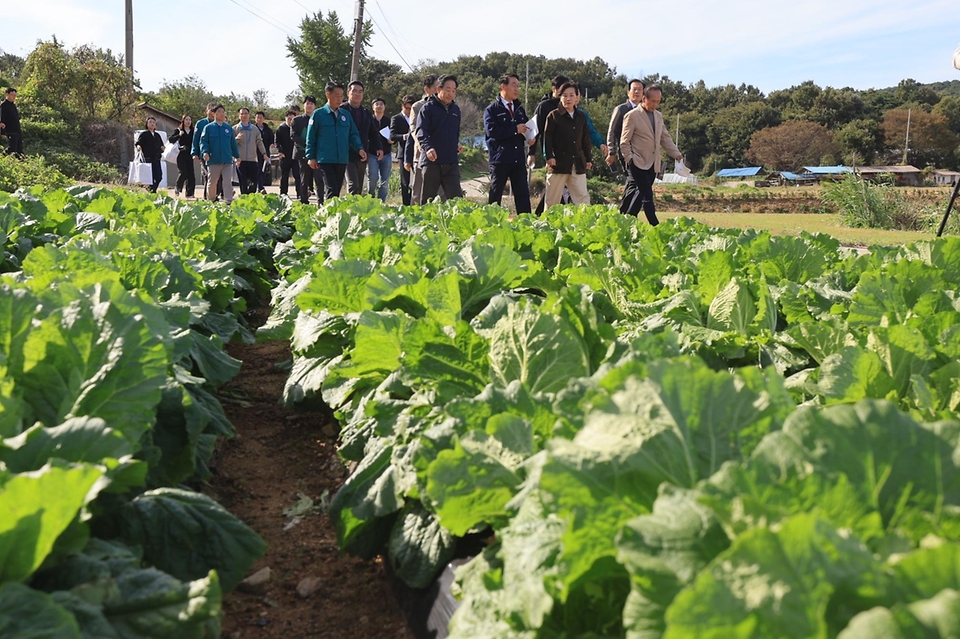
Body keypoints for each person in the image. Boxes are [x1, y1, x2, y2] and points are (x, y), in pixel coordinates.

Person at [619, 84, 683, 226]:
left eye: (658, 101)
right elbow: (624, 141)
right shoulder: (632, 116)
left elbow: (665, 138)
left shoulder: (658, 116)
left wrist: (677, 155)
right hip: (637, 162)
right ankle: (656, 226)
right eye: (652, 101)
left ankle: (626, 223)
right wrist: (630, 159)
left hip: (653, 164)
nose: (655, 104)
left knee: (639, 195)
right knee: (647, 195)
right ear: (644, 98)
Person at [305, 81, 367, 201]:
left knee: (336, 190)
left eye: (341, 96)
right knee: (331, 189)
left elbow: (353, 134)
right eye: (337, 95)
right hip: (325, 159)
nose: (340, 99)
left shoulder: (346, 115)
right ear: (328, 95)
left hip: (342, 159)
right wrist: (310, 156)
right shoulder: (318, 114)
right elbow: (310, 137)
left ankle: (329, 212)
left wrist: (359, 148)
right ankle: (328, 214)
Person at [484, 73, 533, 213]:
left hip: (518, 158)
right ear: (503, 86)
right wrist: (515, 129)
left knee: (523, 194)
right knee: (495, 194)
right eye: (514, 85)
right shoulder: (492, 110)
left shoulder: (519, 109)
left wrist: (530, 137)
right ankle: (491, 224)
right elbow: (493, 132)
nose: (517, 89)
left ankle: (527, 224)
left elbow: (526, 128)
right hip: (500, 159)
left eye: (518, 86)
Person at [543, 82, 592, 207]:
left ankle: (585, 225)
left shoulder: (581, 117)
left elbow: (585, 139)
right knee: (552, 201)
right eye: (564, 95)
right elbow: (547, 138)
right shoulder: (553, 116)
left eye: (571, 95)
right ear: (560, 97)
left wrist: (588, 159)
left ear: (577, 97)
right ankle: (547, 225)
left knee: (583, 200)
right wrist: (549, 156)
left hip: (577, 163)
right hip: (558, 164)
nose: (568, 99)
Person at [416, 74, 462, 203]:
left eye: (453, 91)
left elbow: (455, 133)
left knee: (457, 200)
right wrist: (428, 147)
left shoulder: (456, 110)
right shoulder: (427, 108)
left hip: (450, 161)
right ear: (438, 89)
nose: (450, 94)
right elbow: (421, 131)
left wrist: (456, 145)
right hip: (432, 162)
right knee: (428, 201)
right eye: (447, 90)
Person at [606, 79, 644, 214]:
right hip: (626, 153)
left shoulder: (644, 110)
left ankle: (625, 214)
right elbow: (612, 131)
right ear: (628, 92)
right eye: (635, 89)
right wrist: (611, 151)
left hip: (642, 154)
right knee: (635, 182)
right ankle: (627, 213)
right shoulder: (621, 109)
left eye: (640, 89)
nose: (637, 92)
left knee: (633, 183)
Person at [404, 74, 439, 204]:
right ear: (427, 89)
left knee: (439, 192)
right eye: (436, 87)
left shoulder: (445, 105)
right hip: (421, 153)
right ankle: (415, 217)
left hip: (440, 154)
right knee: (418, 189)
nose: (438, 89)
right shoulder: (417, 106)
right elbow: (413, 128)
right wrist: (423, 144)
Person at [344, 81, 382, 196]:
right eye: (354, 91)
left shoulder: (366, 112)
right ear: (348, 92)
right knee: (353, 184)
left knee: (359, 186)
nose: (357, 94)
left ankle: (357, 211)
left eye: (360, 92)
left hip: (362, 154)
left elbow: (373, 132)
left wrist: (379, 148)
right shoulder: (342, 110)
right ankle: (349, 210)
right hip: (346, 153)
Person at [200, 104, 240, 204]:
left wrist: (237, 156)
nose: (221, 114)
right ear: (213, 114)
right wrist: (205, 152)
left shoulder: (228, 128)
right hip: (213, 159)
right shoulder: (208, 128)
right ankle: (212, 200)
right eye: (219, 112)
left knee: (227, 181)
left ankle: (228, 201)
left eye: (223, 112)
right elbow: (203, 141)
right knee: (212, 182)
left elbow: (233, 144)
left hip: (227, 160)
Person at [234, 107, 267, 195]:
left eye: (246, 113)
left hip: (252, 159)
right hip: (240, 160)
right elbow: (230, 144)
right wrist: (236, 139)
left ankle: (250, 195)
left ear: (249, 116)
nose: (244, 115)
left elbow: (259, 142)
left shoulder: (254, 129)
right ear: (239, 116)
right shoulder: (234, 129)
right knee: (243, 182)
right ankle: (244, 199)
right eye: (242, 114)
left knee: (254, 182)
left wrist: (264, 153)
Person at [293, 96, 319, 203]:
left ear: (315, 106)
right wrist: (307, 143)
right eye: (307, 103)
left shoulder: (318, 119)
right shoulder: (297, 120)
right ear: (303, 105)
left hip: (317, 153)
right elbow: (293, 136)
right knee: (304, 178)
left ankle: (320, 200)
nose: (309, 106)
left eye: (311, 104)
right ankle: (304, 201)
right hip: (302, 152)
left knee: (318, 178)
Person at [390, 95, 415, 205]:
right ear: (403, 106)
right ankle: (406, 204)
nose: (409, 111)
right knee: (405, 181)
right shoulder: (396, 118)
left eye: (411, 108)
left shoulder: (417, 117)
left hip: (416, 153)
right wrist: (405, 136)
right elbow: (392, 136)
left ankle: (415, 202)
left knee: (417, 181)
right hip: (403, 153)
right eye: (408, 108)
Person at [192, 102, 220, 198]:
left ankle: (216, 194)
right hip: (204, 154)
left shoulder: (220, 124)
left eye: (215, 111)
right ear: (206, 111)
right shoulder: (201, 124)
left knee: (217, 176)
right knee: (208, 175)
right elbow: (196, 139)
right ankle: (207, 197)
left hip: (218, 154)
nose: (213, 113)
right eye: (211, 110)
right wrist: (194, 152)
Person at [368, 97, 392, 202]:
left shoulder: (389, 121)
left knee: (385, 181)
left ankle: (382, 202)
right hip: (372, 154)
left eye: (381, 104)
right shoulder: (369, 120)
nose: (379, 106)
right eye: (376, 104)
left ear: (384, 107)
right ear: (373, 107)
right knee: (373, 178)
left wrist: (392, 140)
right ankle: (371, 199)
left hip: (387, 154)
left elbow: (394, 135)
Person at [168, 114, 196, 198]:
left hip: (190, 154)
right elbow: (171, 140)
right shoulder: (178, 130)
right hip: (181, 154)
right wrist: (179, 135)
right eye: (186, 120)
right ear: (183, 121)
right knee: (183, 172)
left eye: (190, 120)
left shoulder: (193, 131)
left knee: (191, 174)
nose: (188, 122)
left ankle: (190, 193)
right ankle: (178, 187)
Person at [275, 110, 301, 198]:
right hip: (284, 156)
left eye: (292, 118)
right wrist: (280, 152)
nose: (290, 120)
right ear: (285, 118)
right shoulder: (281, 128)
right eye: (288, 118)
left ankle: (300, 194)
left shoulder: (297, 128)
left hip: (295, 156)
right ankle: (283, 194)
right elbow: (277, 142)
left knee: (298, 175)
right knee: (284, 176)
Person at [135, 116, 164, 193]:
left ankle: (152, 190)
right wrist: (138, 147)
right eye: (150, 122)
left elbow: (161, 145)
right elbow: (138, 143)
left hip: (157, 158)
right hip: (148, 158)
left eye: (153, 122)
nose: (152, 124)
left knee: (159, 177)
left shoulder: (157, 135)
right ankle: (152, 191)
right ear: (147, 124)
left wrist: (163, 148)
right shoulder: (144, 134)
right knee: (149, 177)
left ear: (155, 125)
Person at [255, 111, 274, 193]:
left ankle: (260, 187)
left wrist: (272, 145)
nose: (259, 119)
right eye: (257, 117)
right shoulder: (253, 128)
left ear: (264, 119)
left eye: (261, 117)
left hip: (265, 154)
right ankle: (258, 187)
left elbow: (272, 140)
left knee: (263, 170)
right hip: (255, 153)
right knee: (256, 170)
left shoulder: (268, 130)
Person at [0, 88, 23, 157]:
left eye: (15, 95)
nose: (14, 97)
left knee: (19, 148)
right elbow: (1, 119)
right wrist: (2, 132)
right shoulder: (3, 106)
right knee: (12, 148)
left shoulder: (13, 105)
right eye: (12, 95)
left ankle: (20, 163)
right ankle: (2, 157)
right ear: (7, 94)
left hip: (17, 130)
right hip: (10, 131)